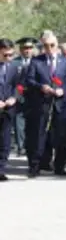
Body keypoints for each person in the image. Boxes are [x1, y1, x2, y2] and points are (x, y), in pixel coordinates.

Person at [25, 31, 66, 177]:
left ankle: (60, 166)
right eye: (46, 45)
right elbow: (29, 80)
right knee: (39, 135)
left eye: (52, 45)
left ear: (57, 45)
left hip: (60, 103)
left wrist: (63, 90)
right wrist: (41, 87)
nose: (49, 48)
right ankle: (35, 166)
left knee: (61, 136)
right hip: (42, 103)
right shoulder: (36, 61)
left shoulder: (64, 61)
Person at [0, 39, 22, 181]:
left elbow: (19, 86)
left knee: (5, 140)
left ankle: (1, 169)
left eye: (11, 55)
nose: (8, 58)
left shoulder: (14, 67)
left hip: (8, 108)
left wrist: (14, 97)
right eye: (5, 55)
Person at [11, 37, 36, 156]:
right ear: (20, 49)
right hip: (19, 96)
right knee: (19, 122)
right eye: (25, 48)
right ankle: (21, 146)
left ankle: (31, 145)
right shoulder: (14, 62)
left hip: (35, 96)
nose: (28, 50)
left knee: (33, 122)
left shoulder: (38, 61)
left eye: (30, 48)